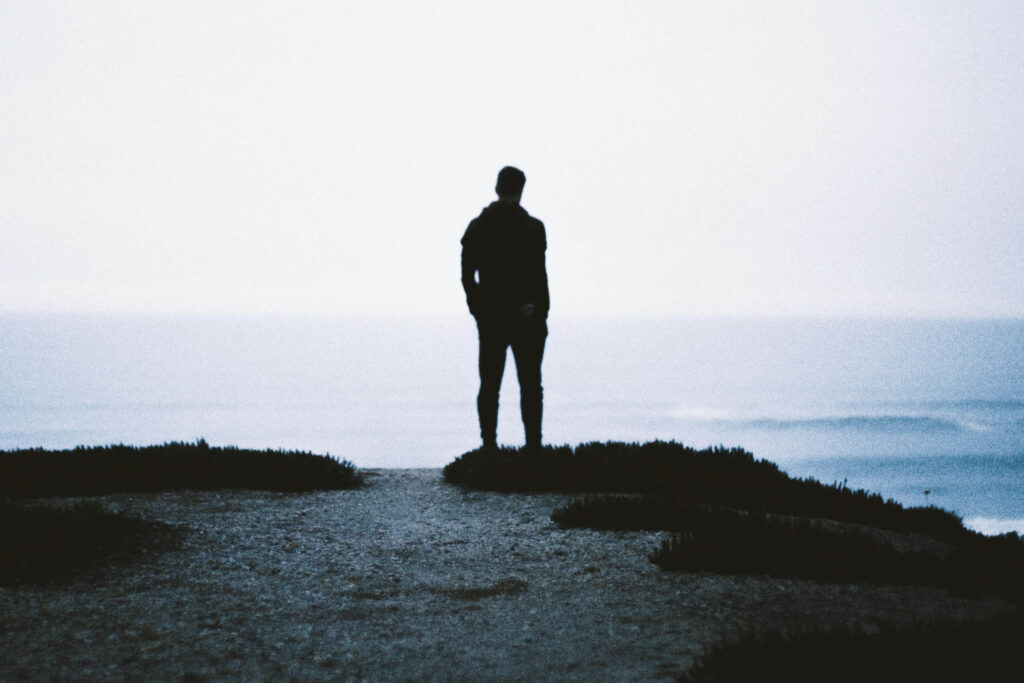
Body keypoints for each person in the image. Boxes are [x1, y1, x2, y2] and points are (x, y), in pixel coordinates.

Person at [461, 166, 549, 449]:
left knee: (489, 386)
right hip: (527, 318)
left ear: (497, 188)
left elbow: (466, 276)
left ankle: (489, 447)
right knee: (531, 386)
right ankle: (533, 448)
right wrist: (540, 312)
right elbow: (539, 276)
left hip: (492, 318)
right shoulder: (534, 228)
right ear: (521, 191)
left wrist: (478, 309)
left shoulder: (477, 227)